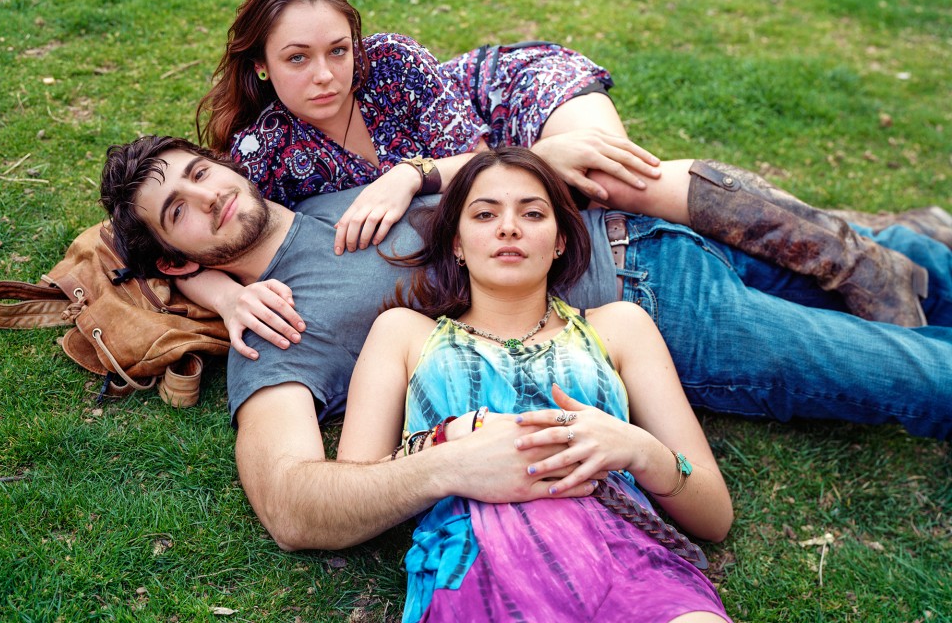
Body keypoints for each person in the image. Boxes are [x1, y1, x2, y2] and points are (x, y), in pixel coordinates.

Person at [99, 136, 952, 552]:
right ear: (171, 254)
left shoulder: (317, 187)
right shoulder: (272, 330)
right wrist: (441, 469)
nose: (206, 197)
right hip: (651, 317)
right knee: (918, 377)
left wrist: (420, 173)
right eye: (176, 209)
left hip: (652, 224)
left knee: (916, 268)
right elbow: (290, 506)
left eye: (199, 172)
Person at [192, 0, 944, 326]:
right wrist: (227, 300)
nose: (326, 76)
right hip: (478, 176)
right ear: (260, 64)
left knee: (613, 181)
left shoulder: (392, 62)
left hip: (515, 108)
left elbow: (486, 165)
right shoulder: (264, 156)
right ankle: (901, 236)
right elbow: (161, 249)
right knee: (612, 203)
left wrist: (404, 177)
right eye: (296, 59)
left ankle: (863, 267)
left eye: (337, 50)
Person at [337, 147, 733, 621]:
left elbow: (714, 515)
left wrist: (636, 448)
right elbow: (347, 502)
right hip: (477, 570)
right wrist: (443, 445)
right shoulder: (404, 335)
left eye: (532, 212)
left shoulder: (620, 328)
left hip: (629, 565)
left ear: (561, 239)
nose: (509, 227)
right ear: (457, 244)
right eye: (485, 214)